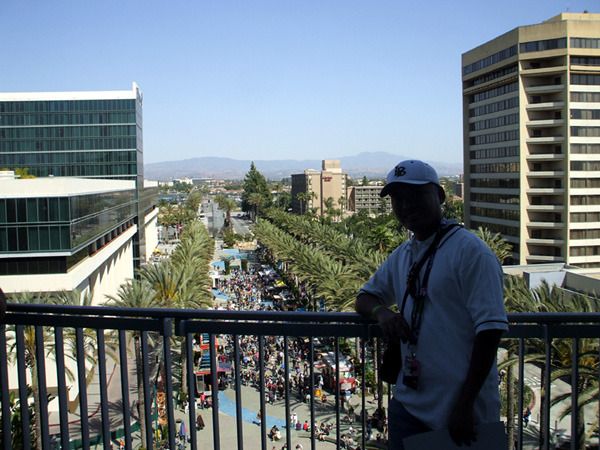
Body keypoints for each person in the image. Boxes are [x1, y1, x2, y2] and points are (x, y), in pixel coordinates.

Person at [355, 160, 508, 449]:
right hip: (408, 407)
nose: (405, 205)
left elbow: (489, 332)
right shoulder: (404, 254)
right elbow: (364, 298)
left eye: (415, 195)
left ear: (439, 196)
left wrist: (465, 405)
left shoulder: (471, 253)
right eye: (397, 199)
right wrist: (382, 313)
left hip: (462, 415)